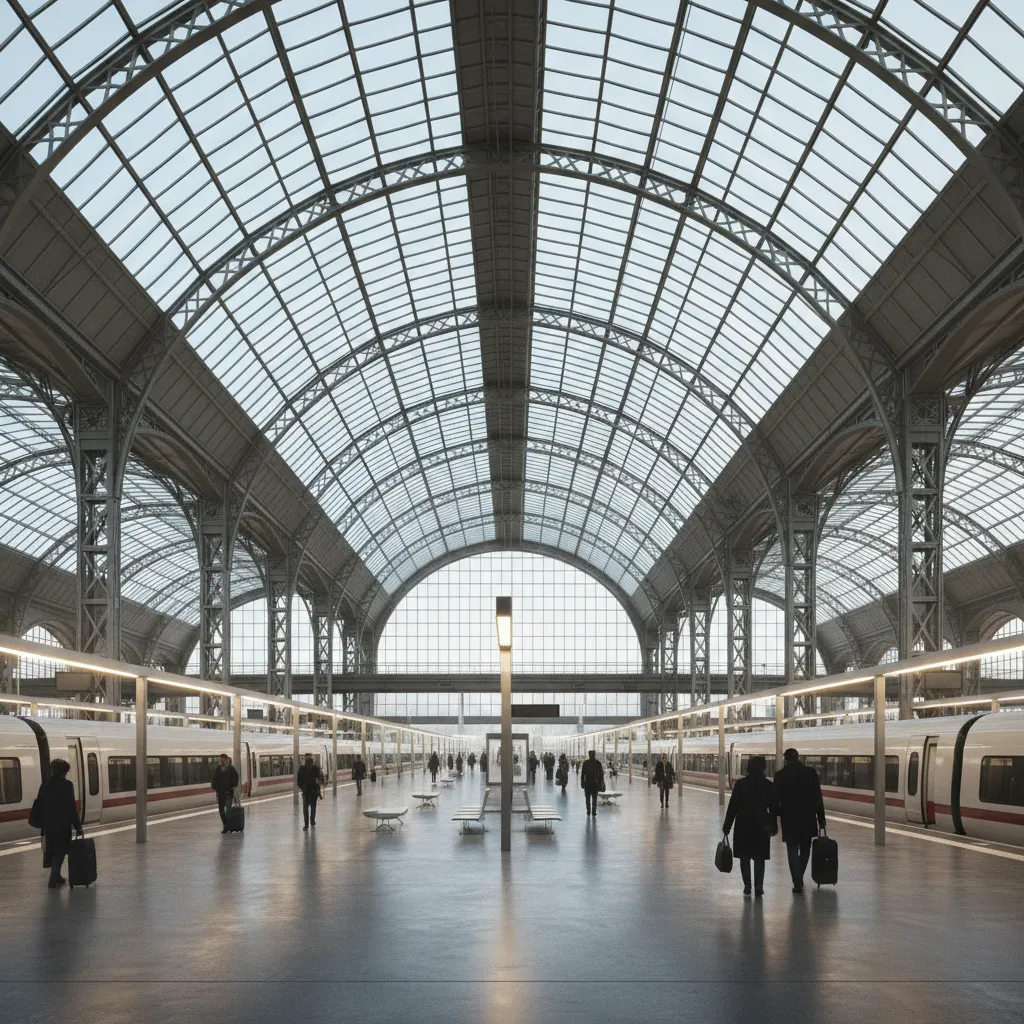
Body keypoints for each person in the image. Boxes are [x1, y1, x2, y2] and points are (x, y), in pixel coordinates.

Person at [722, 755, 778, 898]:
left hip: (743, 824)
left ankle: (747, 886)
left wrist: (727, 826)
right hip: (761, 826)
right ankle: (759, 887)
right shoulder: (769, 785)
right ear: (763, 768)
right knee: (759, 858)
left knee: (744, 857)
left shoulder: (741, 784)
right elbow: (774, 809)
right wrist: (773, 826)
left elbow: (733, 807)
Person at [773, 748, 827, 893]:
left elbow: (775, 799)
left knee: (791, 850)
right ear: (798, 757)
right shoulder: (810, 773)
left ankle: (797, 880)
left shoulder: (780, 775)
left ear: (785, 759)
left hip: (789, 818)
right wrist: (821, 819)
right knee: (805, 849)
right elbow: (817, 798)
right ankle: (798, 877)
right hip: (808, 817)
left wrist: (775, 815)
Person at [36, 759, 83, 888]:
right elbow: (71, 807)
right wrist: (78, 827)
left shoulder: (45, 784)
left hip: (48, 824)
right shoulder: (67, 785)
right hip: (63, 824)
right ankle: (53, 877)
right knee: (60, 851)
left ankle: (56, 876)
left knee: (52, 849)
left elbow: (40, 803)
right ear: (64, 772)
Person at [211, 753, 239, 834]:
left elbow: (235, 779)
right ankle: (226, 825)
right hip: (220, 793)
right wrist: (215, 787)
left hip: (228, 793)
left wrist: (232, 786)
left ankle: (227, 826)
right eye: (220, 760)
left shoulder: (231, 769)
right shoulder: (218, 769)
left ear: (226, 760)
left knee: (228, 811)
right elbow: (214, 779)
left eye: (223, 760)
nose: (222, 761)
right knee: (221, 811)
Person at [296, 754, 324, 830]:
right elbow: (321, 779)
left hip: (309, 792)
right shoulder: (315, 768)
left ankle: (308, 823)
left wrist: (302, 787)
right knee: (311, 807)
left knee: (308, 808)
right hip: (310, 791)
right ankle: (310, 822)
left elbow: (298, 781)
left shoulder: (303, 769)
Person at [580, 749, 604, 817]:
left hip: (587, 783)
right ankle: (593, 812)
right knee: (594, 798)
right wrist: (601, 783)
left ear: (589, 755)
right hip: (595, 784)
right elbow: (601, 774)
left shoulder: (585, 763)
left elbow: (582, 775)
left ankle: (588, 811)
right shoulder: (598, 763)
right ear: (594, 754)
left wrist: (582, 783)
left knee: (587, 799)